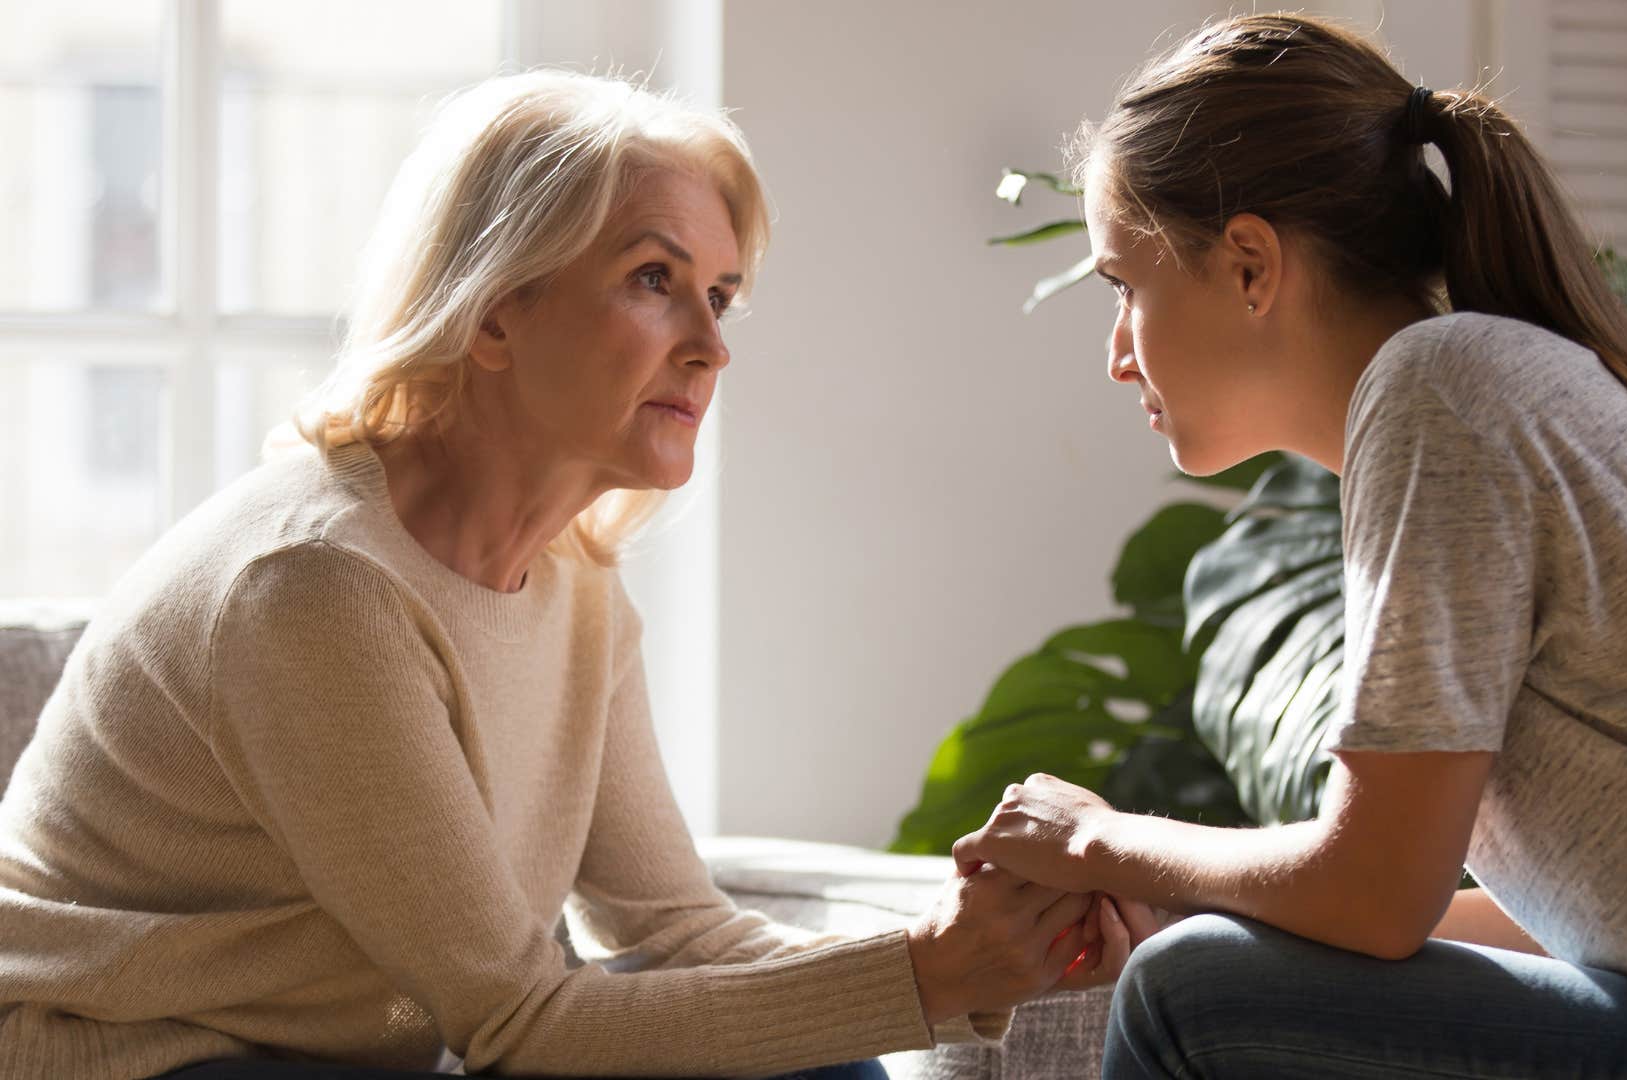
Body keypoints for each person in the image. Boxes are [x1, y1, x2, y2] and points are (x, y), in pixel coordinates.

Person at [0, 71, 1150, 1080]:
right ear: (496, 312)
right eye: (654, 279)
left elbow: (679, 930)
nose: (711, 344)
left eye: (722, 293)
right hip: (129, 1052)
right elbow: (515, 1017)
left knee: (821, 1068)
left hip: (344, 1052)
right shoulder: (314, 587)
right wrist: (925, 969)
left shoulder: (576, 592)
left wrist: (976, 958)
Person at [950, 13, 1627, 1080]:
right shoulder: (1490, 382)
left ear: (1250, 265)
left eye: (1125, 288)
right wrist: (1185, 887)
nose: (1117, 355)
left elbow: (1374, 894)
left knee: (1193, 996)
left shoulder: (1441, 395)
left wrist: (1096, 838)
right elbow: (1539, 926)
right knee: (1206, 958)